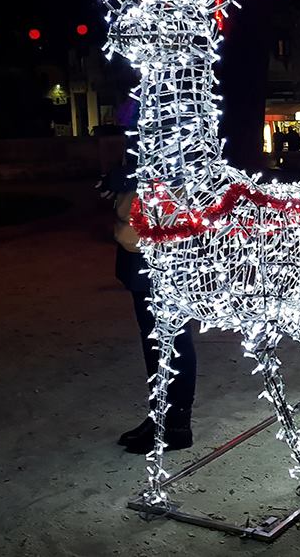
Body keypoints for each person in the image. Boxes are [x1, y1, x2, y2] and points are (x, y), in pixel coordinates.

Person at [100, 150, 197, 454]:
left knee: (172, 340)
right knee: (154, 340)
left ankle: (177, 425)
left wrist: (129, 175)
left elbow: (178, 163)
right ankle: (161, 417)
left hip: (165, 251)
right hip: (144, 250)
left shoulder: (175, 121)